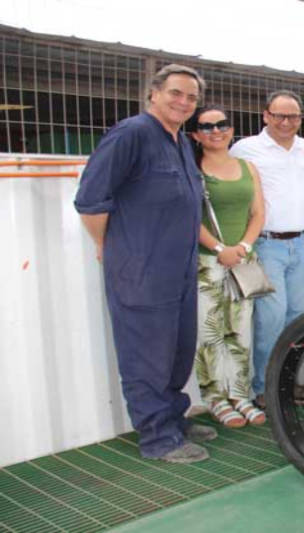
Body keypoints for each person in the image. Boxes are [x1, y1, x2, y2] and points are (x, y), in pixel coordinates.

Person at [73, 64, 217, 463]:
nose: (183, 102)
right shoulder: (132, 134)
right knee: (146, 357)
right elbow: (90, 201)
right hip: (142, 270)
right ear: (154, 93)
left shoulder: (180, 142)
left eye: (191, 97)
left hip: (180, 270)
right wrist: (112, 246)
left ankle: (174, 418)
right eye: (176, 93)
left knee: (177, 352)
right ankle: (158, 439)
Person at [229, 89, 304, 410]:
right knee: (271, 318)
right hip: (266, 244)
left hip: (301, 244)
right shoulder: (246, 148)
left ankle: (288, 383)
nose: (285, 122)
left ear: (300, 119)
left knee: (297, 318)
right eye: (278, 115)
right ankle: (264, 387)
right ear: (265, 116)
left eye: (292, 116)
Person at [190, 105, 266, 428]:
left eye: (222, 125)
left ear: (232, 130)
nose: (216, 131)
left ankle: (240, 395)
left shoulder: (248, 167)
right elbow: (189, 217)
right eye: (207, 127)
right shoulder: (193, 169)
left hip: (242, 260)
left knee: (240, 331)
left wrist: (243, 247)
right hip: (207, 262)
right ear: (195, 134)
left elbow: (258, 213)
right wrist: (220, 248)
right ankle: (215, 398)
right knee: (210, 333)